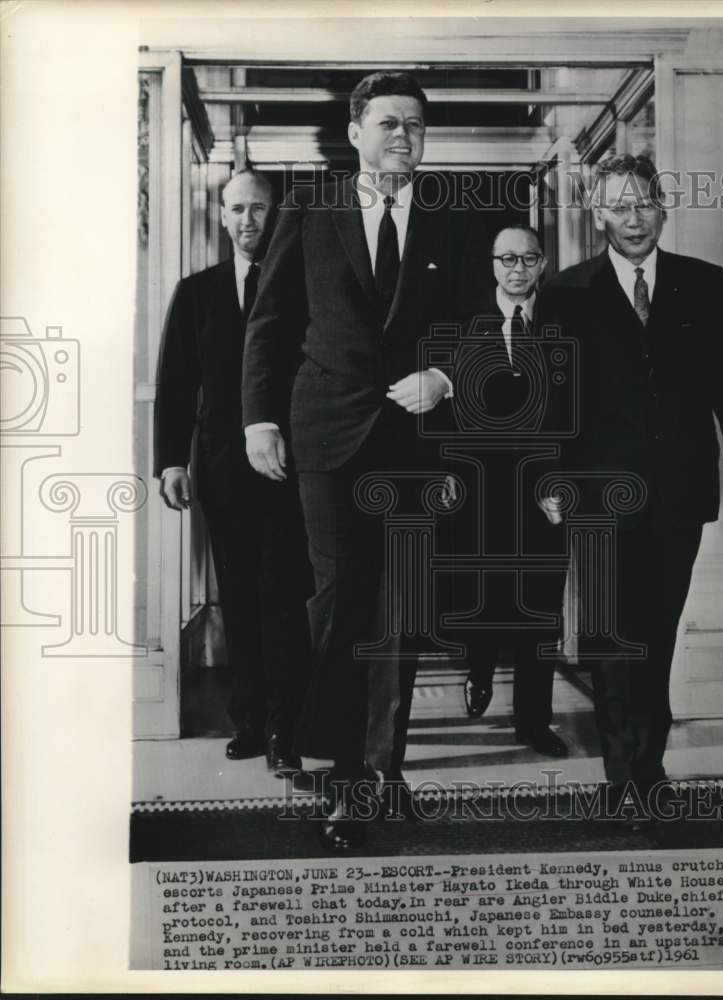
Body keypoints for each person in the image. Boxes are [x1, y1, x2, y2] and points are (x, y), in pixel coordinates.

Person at [242, 72, 479, 850]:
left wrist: (445, 375)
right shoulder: (309, 207)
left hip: (416, 445)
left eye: (414, 125)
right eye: (387, 123)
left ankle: (381, 770)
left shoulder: (454, 216)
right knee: (341, 601)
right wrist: (259, 420)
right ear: (355, 133)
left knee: (402, 610)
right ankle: (346, 775)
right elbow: (270, 323)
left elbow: (484, 324)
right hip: (327, 437)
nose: (401, 137)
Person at [537, 154, 723, 813]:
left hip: (678, 489)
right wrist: (550, 478)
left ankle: (648, 763)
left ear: (662, 209)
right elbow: (550, 398)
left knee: (657, 630)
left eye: (644, 205)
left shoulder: (705, 284)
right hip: (596, 493)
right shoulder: (566, 294)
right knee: (610, 634)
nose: (633, 218)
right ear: (597, 215)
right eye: (618, 207)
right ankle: (622, 777)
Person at [154, 169, 313, 787]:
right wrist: (172, 461)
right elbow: (174, 385)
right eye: (238, 210)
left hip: (287, 468)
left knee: (284, 597)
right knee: (239, 598)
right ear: (221, 217)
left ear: (277, 218)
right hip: (222, 470)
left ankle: (285, 728)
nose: (249, 221)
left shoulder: (302, 287)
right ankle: (248, 720)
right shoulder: (196, 292)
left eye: (260, 210)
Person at [457, 224, 568, 758]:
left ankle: (534, 721)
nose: (517, 269)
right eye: (507, 259)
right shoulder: (463, 323)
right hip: (480, 491)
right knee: (485, 597)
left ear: (542, 264)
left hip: (545, 490)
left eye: (528, 259)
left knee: (542, 608)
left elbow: (577, 408)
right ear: (492, 265)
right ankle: (478, 665)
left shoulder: (565, 320)